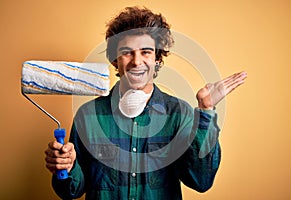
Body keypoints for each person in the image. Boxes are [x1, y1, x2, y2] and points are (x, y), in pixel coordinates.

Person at [45, 6, 247, 200]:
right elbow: (71, 191)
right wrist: (67, 168)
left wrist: (206, 110)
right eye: (126, 52)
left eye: (146, 52)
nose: (136, 61)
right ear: (115, 60)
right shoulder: (88, 115)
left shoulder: (179, 113)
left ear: (157, 59)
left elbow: (201, 181)